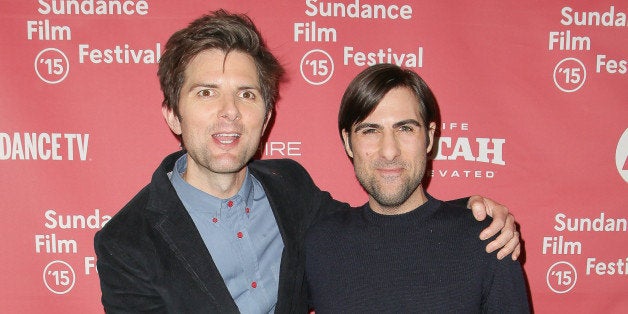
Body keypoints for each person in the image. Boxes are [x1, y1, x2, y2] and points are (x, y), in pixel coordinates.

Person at [94, 10, 521, 314]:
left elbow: (385, 221)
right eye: (206, 92)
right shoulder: (127, 242)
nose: (229, 111)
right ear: (172, 113)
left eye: (246, 94)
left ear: (267, 114)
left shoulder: (291, 187)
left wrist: (474, 210)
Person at [305, 64, 530, 313]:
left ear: (430, 137)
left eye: (405, 129)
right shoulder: (320, 244)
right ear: (348, 142)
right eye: (370, 130)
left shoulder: (488, 241)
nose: (389, 151)